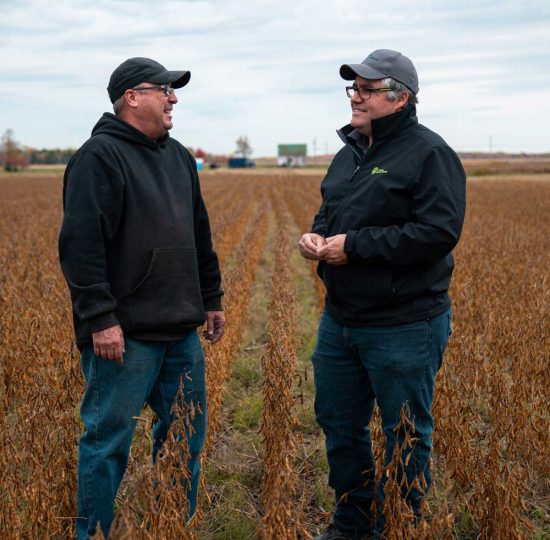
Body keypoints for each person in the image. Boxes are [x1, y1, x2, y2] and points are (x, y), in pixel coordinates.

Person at [298, 49, 466, 540]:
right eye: (354, 88)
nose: (356, 97)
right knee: (337, 422)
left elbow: (438, 233)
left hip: (405, 323)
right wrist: (316, 235)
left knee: (405, 432)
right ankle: (352, 522)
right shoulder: (349, 152)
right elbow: (331, 213)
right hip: (341, 319)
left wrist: (355, 248)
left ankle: (399, 525)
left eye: (367, 89)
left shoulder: (429, 154)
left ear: (400, 97)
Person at [58, 57, 225, 540]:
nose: (174, 98)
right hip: (125, 336)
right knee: (107, 442)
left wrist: (211, 297)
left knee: (184, 439)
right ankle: (93, 534)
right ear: (132, 97)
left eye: (174, 91)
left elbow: (199, 232)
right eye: (164, 90)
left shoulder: (178, 157)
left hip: (181, 332)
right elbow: (81, 246)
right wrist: (100, 318)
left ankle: (171, 528)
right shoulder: (98, 157)